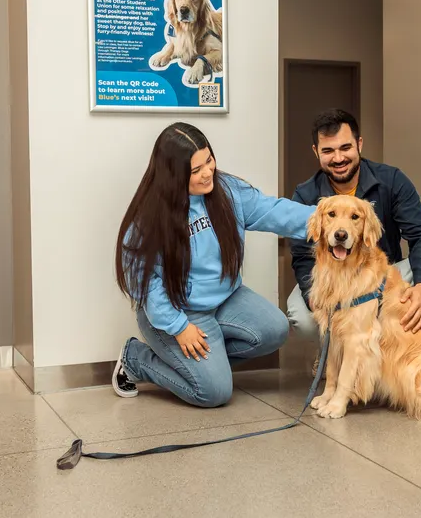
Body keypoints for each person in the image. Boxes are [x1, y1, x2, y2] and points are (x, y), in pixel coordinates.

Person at [112, 122, 314, 408]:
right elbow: (146, 286)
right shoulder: (147, 220)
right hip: (177, 310)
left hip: (226, 298)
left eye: (209, 160)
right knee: (214, 393)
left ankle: (207, 366)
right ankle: (136, 359)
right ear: (172, 175)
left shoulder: (229, 191)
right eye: (195, 170)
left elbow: (274, 210)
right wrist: (179, 327)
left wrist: (328, 218)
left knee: (275, 329)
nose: (208, 172)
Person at [287, 109, 421, 345]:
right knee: (303, 318)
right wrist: (316, 299)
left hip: (381, 275)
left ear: (359, 144)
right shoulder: (305, 194)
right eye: (328, 151)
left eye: (345, 148)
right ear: (316, 152)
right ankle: (335, 351)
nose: (338, 158)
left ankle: (394, 350)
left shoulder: (391, 181)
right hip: (334, 278)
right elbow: (301, 255)